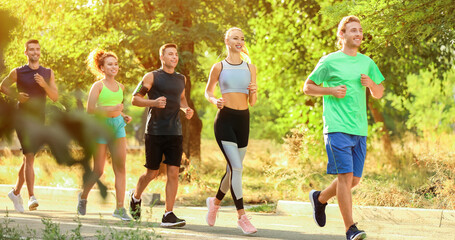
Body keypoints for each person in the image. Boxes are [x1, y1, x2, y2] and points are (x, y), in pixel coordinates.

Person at [303, 16, 385, 240]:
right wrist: (330, 91)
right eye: (352, 31)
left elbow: (379, 93)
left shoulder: (367, 62)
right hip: (337, 127)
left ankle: (319, 199)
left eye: (359, 30)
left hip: (360, 128)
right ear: (342, 35)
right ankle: (350, 229)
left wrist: (371, 85)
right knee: (345, 177)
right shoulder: (329, 61)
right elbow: (307, 87)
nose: (358, 34)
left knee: (353, 181)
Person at [128, 43, 194, 227]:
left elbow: (181, 99)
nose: (174, 57)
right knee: (152, 172)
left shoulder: (182, 79)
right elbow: (135, 99)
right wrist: (154, 103)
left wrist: (187, 109)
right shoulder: (151, 76)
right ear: (162, 57)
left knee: (173, 172)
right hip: (155, 131)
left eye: (176, 54)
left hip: (175, 132)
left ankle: (168, 214)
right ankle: (135, 196)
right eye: (170, 54)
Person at [204, 27, 258, 234]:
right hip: (225, 120)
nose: (240, 41)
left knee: (232, 169)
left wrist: (253, 92)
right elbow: (208, 91)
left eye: (242, 38)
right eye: (235, 38)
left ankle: (215, 202)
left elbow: (253, 102)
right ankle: (242, 217)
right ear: (227, 41)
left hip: (243, 120)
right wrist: (214, 100)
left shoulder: (251, 67)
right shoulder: (219, 66)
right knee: (236, 168)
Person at [1, 39, 58, 213]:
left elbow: (55, 96)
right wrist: (17, 96)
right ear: (25, 52)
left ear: (40, 52)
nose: (35, 52)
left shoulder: (47, 73)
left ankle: (15, 192)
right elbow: (2, 86)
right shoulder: (18, 72)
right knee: (30, 156)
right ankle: (31, 196)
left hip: (39, 120)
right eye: (31, 49)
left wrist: (43, 84)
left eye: (37, 49)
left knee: (28, 158)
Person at [76, 49, 132, 221]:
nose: (114, 67)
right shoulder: (98, 86)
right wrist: (112, 109)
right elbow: (90, 109)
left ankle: (120, 208)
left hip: (118, 127)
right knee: (99, 170)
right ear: (102, 68)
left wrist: (123, 115)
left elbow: (117, 107)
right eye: (110, 64)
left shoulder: (121, 87)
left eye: (115, 64)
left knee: (120, 167)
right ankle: (83, 196)